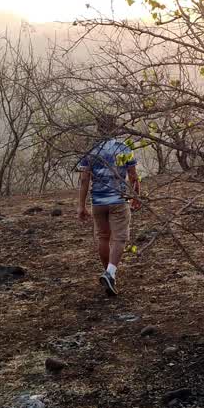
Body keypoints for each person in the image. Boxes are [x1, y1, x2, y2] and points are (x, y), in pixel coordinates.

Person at [76, 114, 141, 296]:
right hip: (119, 201)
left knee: (104, 237)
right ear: (115, 128)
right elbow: (133, 176)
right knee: (120, 238)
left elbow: (84, 179)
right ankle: (110, 273)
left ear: (98, 129)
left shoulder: (91, 150)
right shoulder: (123, 148)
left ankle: (109, 277)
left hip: (98, 202)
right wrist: (136, 196)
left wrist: (81, 206)